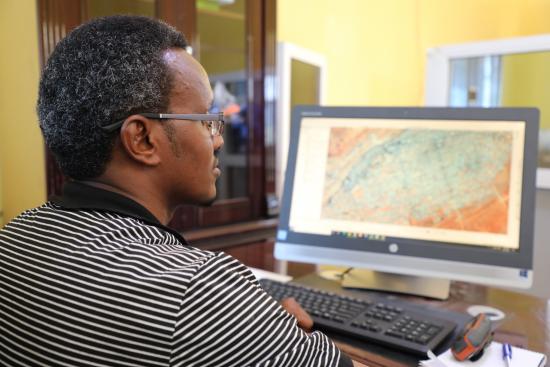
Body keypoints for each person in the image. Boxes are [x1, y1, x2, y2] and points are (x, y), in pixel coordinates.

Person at [0, 15, 366, 367]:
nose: (219, 138)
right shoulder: (196, 292)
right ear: (142, 139)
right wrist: (278, 338)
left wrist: (262, 334)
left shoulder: (13, 240)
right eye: (206, 119)